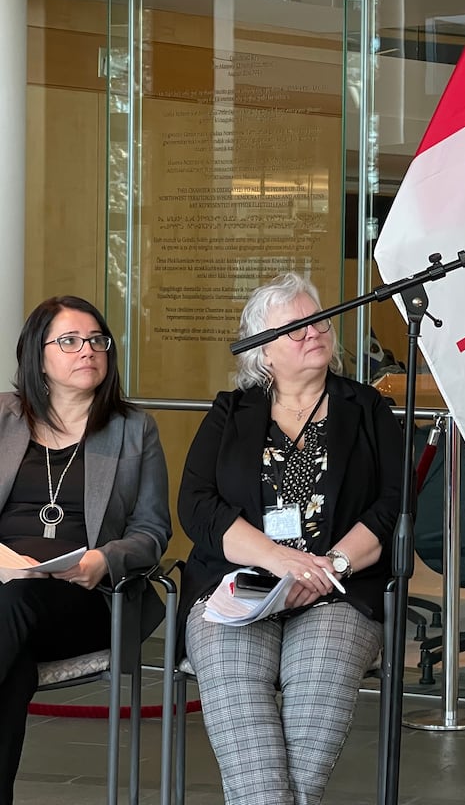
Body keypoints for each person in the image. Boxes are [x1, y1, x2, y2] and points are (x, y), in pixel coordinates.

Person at [177, 272, 403, 805]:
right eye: (295, 328)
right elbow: (197, 505)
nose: (314, 333)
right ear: (263, 352)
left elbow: (392, 505)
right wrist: (281, 561)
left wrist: (329, 568)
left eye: (318, 320)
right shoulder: (230, 411)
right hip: (238, 588)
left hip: (341, 591)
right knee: (238, 694)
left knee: (316, 687)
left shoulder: (368, 409)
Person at [0, 296, 171, 805]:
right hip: (6, 591)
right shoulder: (3, 417)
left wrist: (105, 560)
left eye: (97, 340)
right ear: (38, 354)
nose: (88, 350)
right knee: (13, 666)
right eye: (70, 341)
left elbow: (152, 529)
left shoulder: (132, 429)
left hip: (82, 597)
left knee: (14, 604)